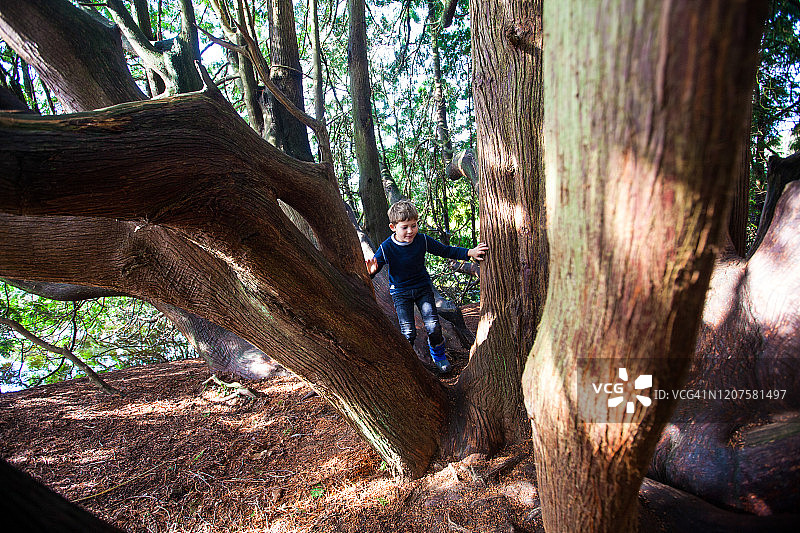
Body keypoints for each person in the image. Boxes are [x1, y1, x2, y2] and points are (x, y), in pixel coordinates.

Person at [366, 200, 488, 373]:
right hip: (401, 293)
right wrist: (370, 271)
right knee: (408, 333)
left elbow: (445, 250)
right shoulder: (386, 247)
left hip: (423, 289)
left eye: (413, 225)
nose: (410, 231)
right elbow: (373, 270)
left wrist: (469, 252)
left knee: (433, 326)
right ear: (393, 227)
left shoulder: (422, 240)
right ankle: (408, 362)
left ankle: (438, 355)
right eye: (405, 227)